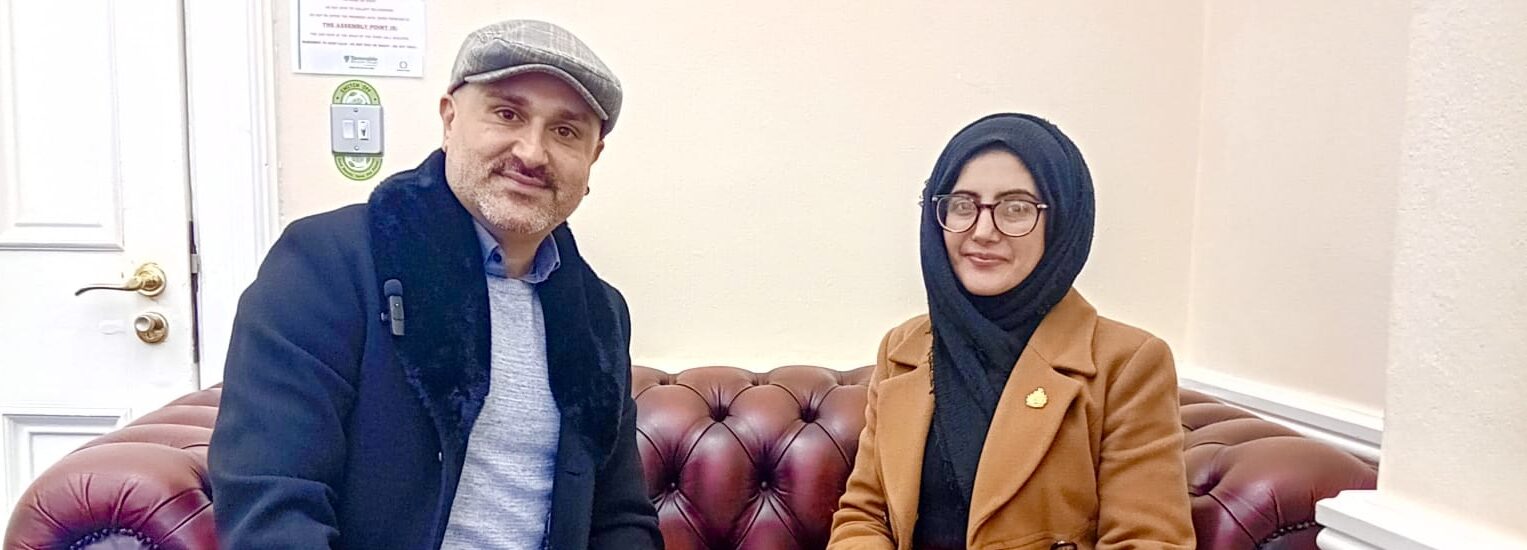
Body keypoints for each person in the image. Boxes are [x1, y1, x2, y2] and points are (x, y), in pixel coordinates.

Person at [209, 20, 662, 549]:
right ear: (449, 120)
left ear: (592, 159)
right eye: (507, 113)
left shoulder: (599, 312)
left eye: (566, 131)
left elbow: (621, 519)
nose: (533, 153)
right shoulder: (327, 263)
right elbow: (272, 506)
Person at [828, 114, 1195, 549]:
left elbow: (1147, 541)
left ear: (1061, 220)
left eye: (1016, 207)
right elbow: (864, 516)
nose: (983, 231)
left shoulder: (1129, 363)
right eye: (963, 204)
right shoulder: (903, 347)